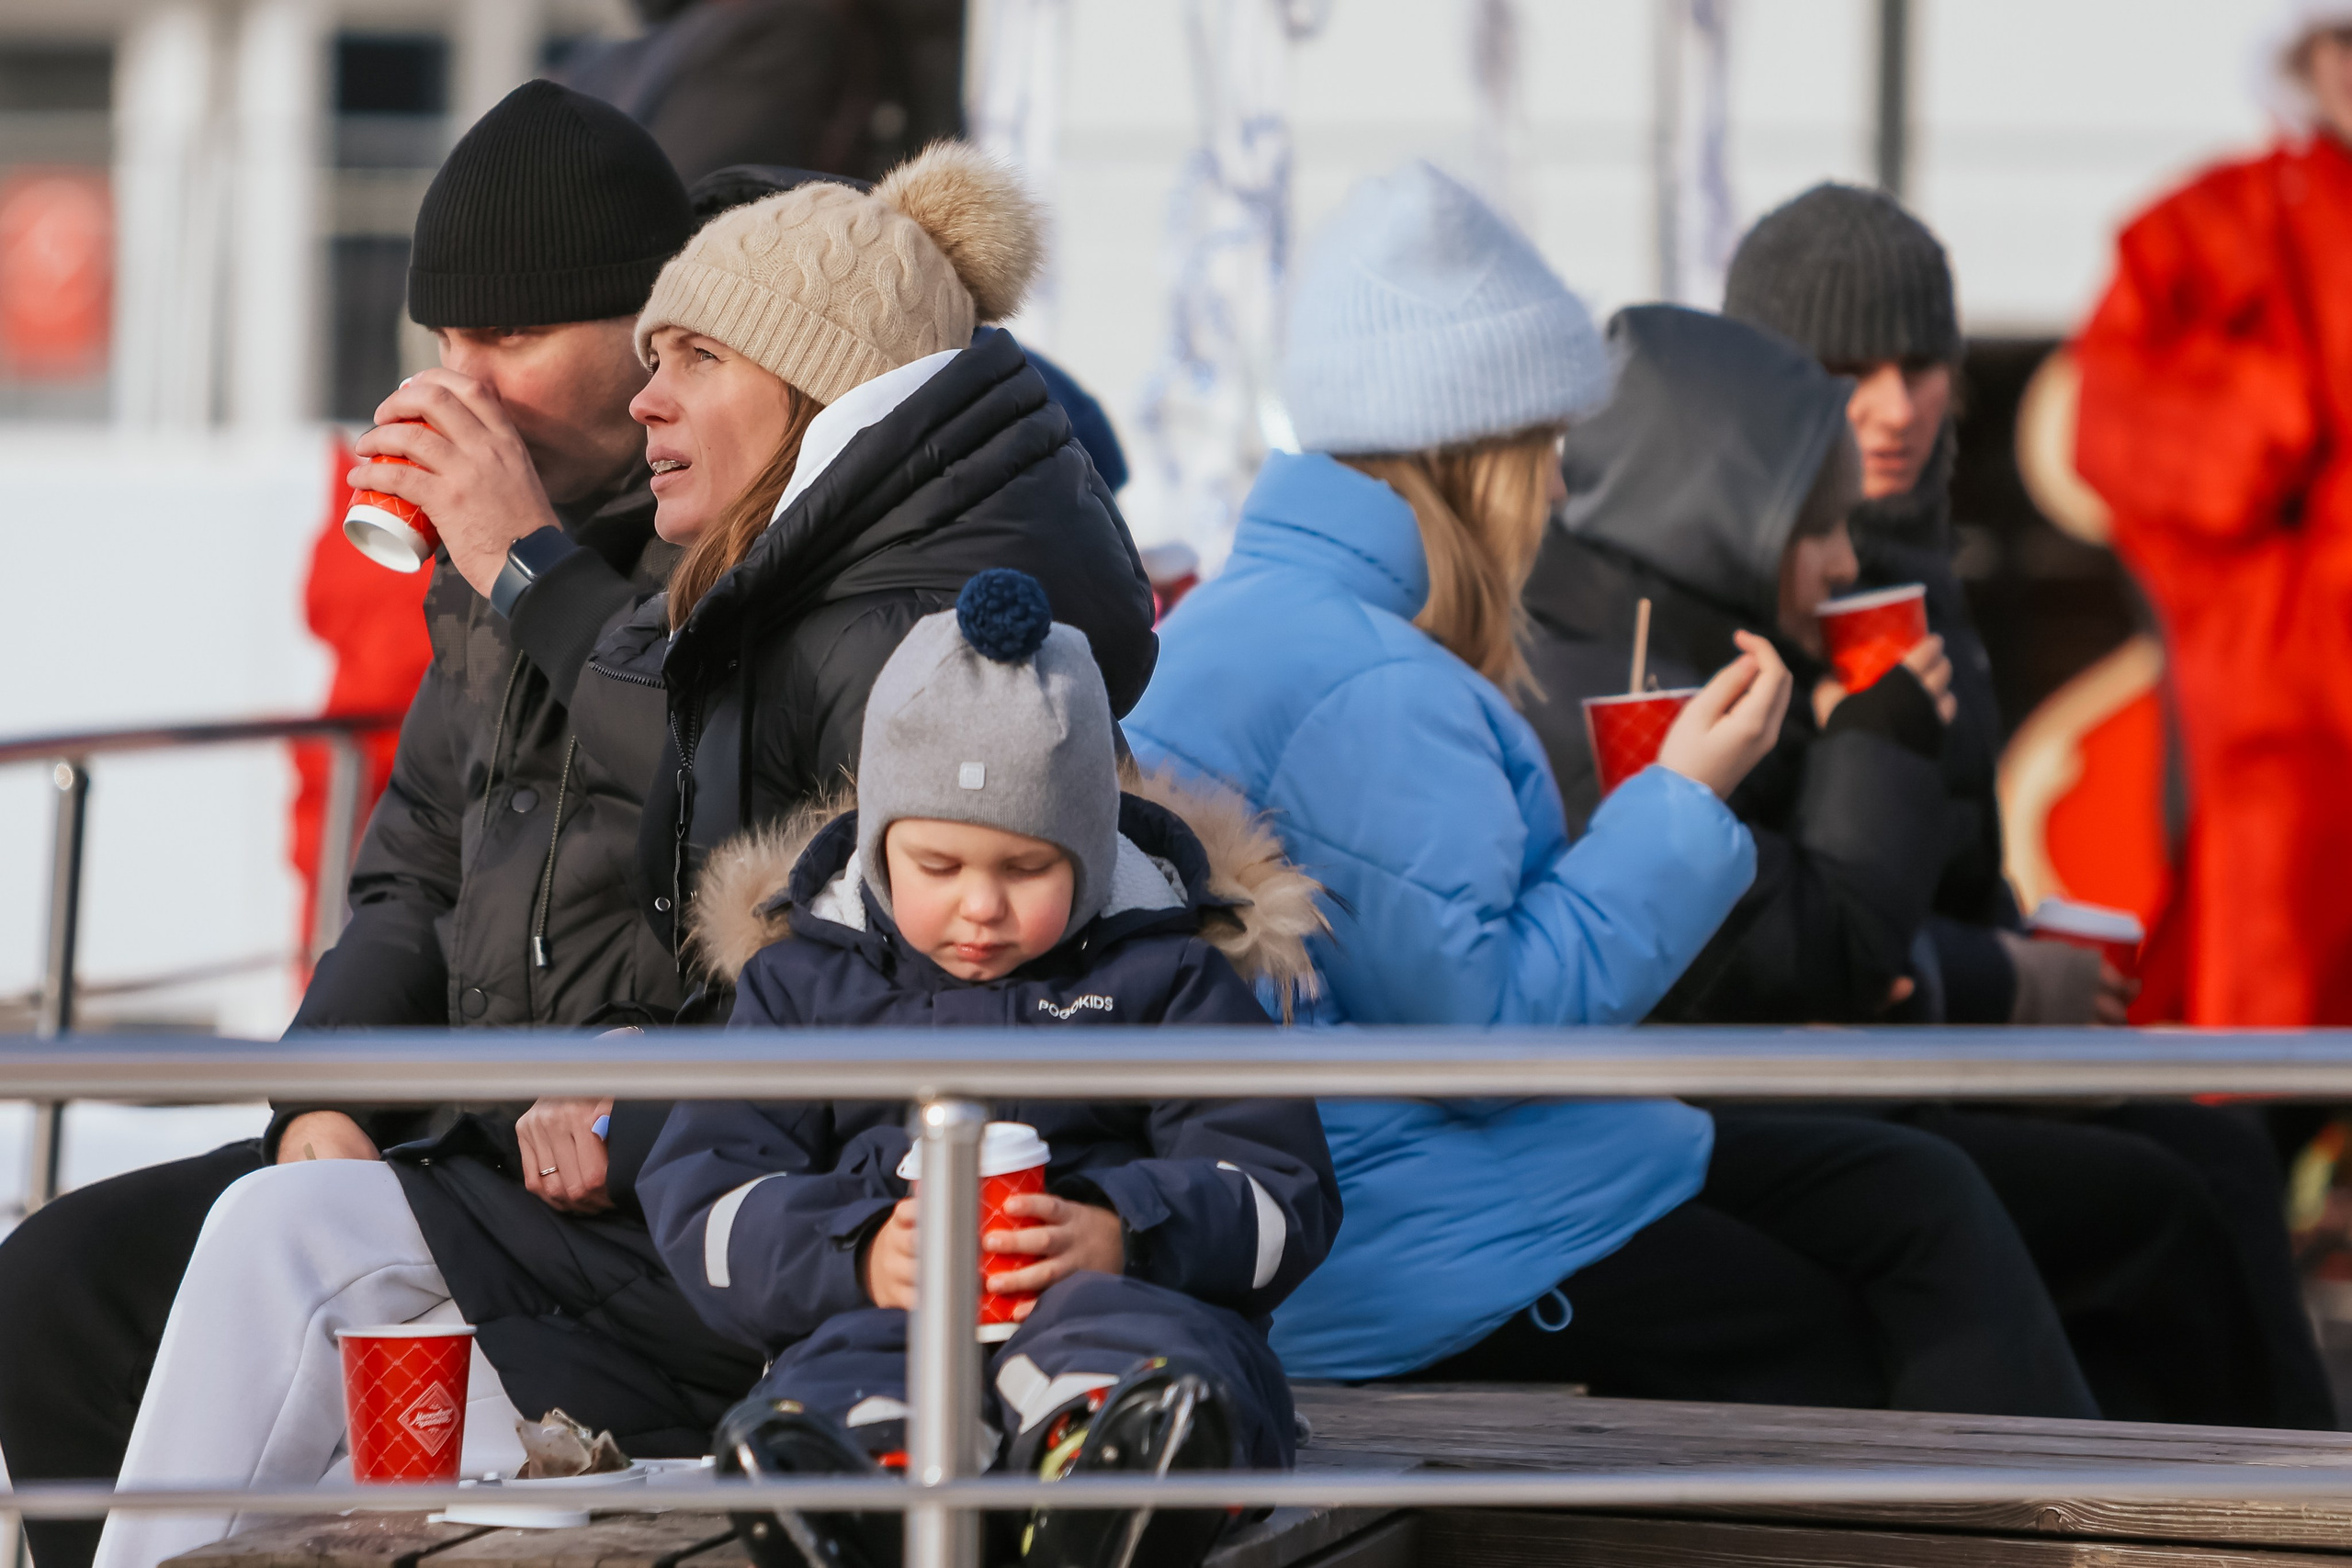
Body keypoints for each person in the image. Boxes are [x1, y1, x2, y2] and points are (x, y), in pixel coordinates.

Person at [1123, 162, 2095, 1416]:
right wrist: (1684, 799)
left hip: (1382, 1191)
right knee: (1862, 1313)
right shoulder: (1372, 680)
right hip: (1419, 1248)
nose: (1565, 491)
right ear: (1480, 460)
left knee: (1906, 1193)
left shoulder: (1271, 620)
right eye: (1548, 451)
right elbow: (1488, 1039)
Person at [0, 80, 705, 1568]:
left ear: (646, 334)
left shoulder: (712, 548)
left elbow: (713, 780)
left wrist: (525, 558)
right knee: (57, 1279)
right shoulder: (484, 570)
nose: (465, 384)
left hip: (628, 1179)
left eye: (509, 340)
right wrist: (318, 1104)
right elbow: (408, 880)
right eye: (443, 343)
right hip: (450, 1144)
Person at [1521, 302, 2330, 1430]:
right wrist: (1886, 740)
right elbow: (1813, 943)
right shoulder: (1637, 674)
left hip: (1820, 1069)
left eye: (1923, 364)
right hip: (1704, 1108)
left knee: (2200, 1156)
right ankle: (2163, 1521)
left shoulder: (1722, 624)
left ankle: (2268, 1502)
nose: (1850, 556)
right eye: (1823, 524)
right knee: (2116, 1202)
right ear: (1733, 506)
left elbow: (1888, 897)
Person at [640, 569, 1340, 1568]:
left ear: (1092, 857)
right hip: (883, 1319)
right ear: (880, 848)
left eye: (1025, 871)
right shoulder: (804, 984)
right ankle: (854, 1489)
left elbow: (1281, 1190)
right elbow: (706, 1197)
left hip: (1125, 1308)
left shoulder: (1166, 976)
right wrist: (860, 1252)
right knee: (843, 1368)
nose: (979, 907)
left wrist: (1123, 1231)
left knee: (1151, 1351)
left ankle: (1108, 1480)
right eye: (937, 867)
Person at [610, 138, 1157, 970]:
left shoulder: (909, 639)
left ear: (831, 390)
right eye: (656, 359)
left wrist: (655, 1099)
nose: (645, 400)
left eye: (702, 356)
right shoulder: (821, 599)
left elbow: (926, 1017)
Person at [1721, 181, 2118, 1026]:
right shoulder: (1740, 592)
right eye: (1848, 370)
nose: (1897, 409)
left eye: (1922, 365)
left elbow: (1954, 864)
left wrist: (2019, 949)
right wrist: (2004, 978)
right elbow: (1781, 928)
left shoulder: (1923, 566)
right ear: (1763, 383)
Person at [2073, 5, 2352, 1028]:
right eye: (2343, 39)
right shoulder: (2213, 221)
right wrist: (2262, 421)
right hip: (2279, 701)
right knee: (2262, 998)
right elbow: (2106, 419)